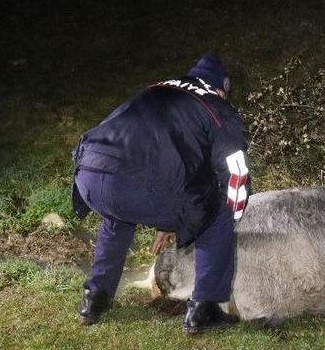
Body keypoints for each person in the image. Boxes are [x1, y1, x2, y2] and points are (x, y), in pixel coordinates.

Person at [71, 54, 250, 335]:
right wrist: (232, 216)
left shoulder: (156, 89)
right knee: (220, 211)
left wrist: (171, 218)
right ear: (223, 87)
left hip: (90, 174)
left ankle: (95, 298)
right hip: (137, 183)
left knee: (118, 217)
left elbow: (158, 156)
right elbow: (235, 175)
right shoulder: (216, 106)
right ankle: (204, 309)